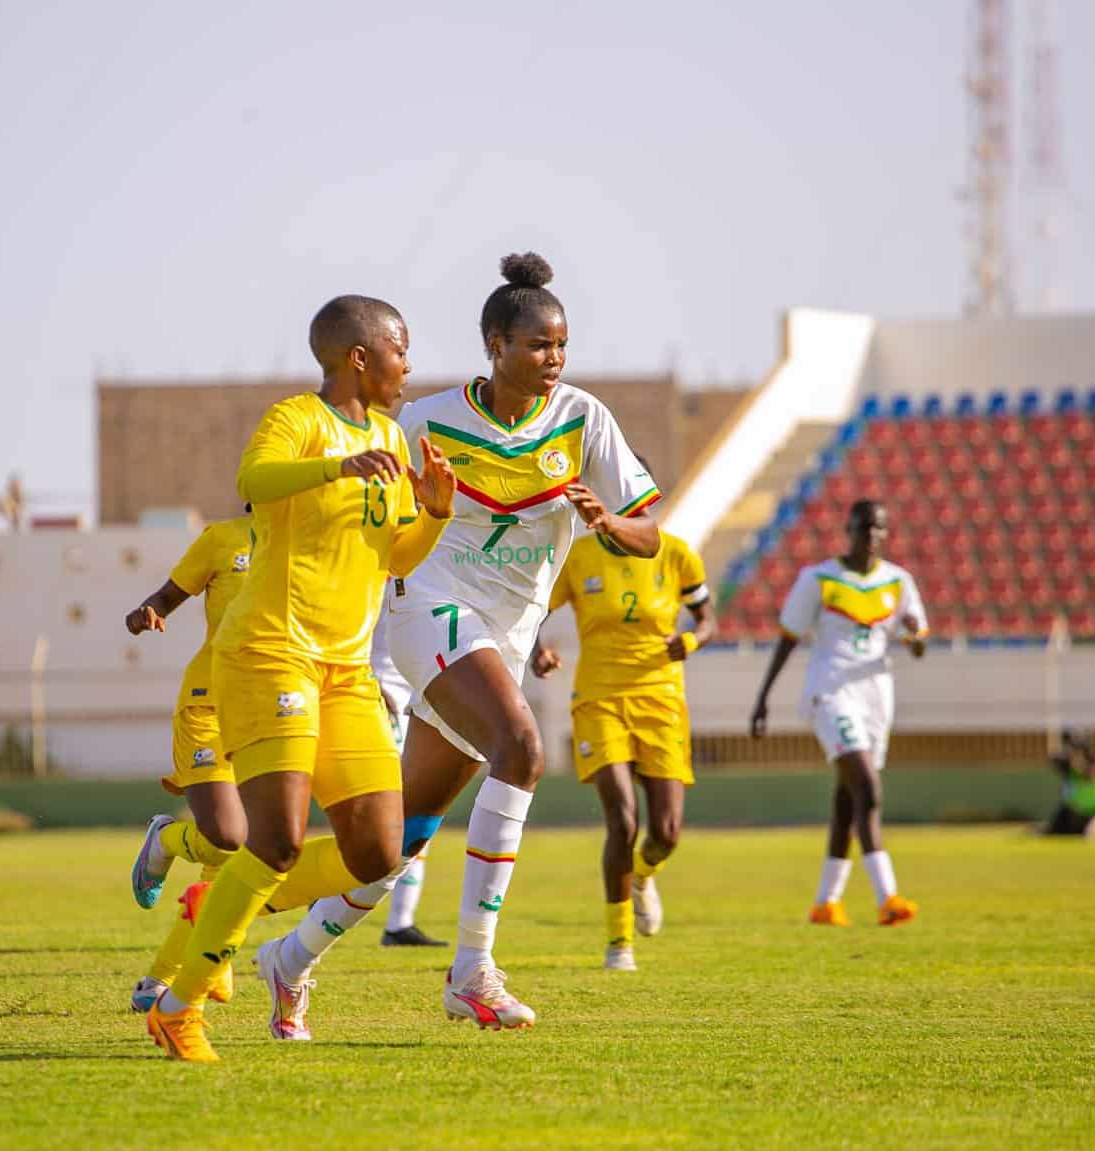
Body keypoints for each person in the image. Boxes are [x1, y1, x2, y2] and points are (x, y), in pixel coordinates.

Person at [251, 252, 661, 1033]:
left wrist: (609, 523)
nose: (553, 361)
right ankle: (473, 970)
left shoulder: (582, 417)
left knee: (393, 843)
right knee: (521, 747)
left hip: (499, 643)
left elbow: (648, 532)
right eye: (538, 345)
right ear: (493, 345)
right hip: (427, 609)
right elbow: (361, 518)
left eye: (561, 347)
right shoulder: (426, 419)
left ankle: (288, 958)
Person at [145, 294, 456, 1062]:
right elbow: (255, 477)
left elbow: (391, 560)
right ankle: (180, 1007)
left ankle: (213, 901)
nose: (408, 366)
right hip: (269, 651)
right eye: (401, 350)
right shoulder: (299, 419)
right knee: (277, 841)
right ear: (359, 356)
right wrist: (336, 465)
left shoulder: (389, 434)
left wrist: (435, 514)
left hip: (346, 669)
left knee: (381, 853)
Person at [531, 472, 713, 970]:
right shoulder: (580, 556)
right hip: (600, 700)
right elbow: (534, 613)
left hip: (661, 701)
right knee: (623, 819)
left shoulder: (676, 553)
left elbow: (707, 616)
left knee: (668, 831)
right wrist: (537, 648)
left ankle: (642, 875)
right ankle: (619, 945)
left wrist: (692, 640)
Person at [749, 499, 926, 927]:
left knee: (849, 798)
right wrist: (763, 697)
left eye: (879, 527)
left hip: (876, 697)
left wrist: (912, 637)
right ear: (848, 529)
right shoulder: (819, 579)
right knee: (868, 787)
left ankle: (826, 903)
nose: (872, 534)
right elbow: (788, 638)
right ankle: (888, 897)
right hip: (830, 692)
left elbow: (918, 641)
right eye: (865, 526)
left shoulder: (899, 582)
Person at [122, 510, 254, 1014]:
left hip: (272, 709)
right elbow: (165, 597)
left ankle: (163, 976)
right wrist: (145, 613)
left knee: (231, 862)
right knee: (228, 834)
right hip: (208, 704)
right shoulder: (222, 540)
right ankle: (166, 839)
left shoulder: (311, 542)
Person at [372, 590, 446, 947]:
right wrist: (370, 683)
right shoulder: (371, 573)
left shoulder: (429, 568)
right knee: (378, 810)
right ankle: (319, 895)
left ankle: (400, 923)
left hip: (417, 702)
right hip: (379, 700)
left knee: (416, 813)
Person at [1043, 729, 1095, 838]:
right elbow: (1055, 761)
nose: (1076, 762)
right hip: (1074, 814)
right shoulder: (1072, 774)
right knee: (1055, 831)